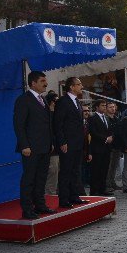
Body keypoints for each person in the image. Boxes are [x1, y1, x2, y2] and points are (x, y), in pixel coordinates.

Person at [13, 71, 55, 218]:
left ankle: (40, 205)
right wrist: (24, 145)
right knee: (29, 179)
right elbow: (19, 125)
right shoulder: (23, 100)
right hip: (30, 148)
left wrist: (51, 143)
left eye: (45, 80)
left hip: (44, 147)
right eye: (42, 81)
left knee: (41, 178)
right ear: (33, 83)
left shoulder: (42, 100)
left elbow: (47, 124)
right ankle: (27, 209)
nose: (46, 83)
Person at [54, 77, 90, 208]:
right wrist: (62, 141)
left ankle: (74, 196)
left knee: (76, 171)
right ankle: (64, 199)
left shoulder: (77, 102)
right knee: (66, 171)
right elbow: (58, 123)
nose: (81, 86)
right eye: (79, 84)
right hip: (67, 143)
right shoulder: (63, 101)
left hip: (78, 143)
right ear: (71, 87)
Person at [88, 100, 114, 195]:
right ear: (97, 107)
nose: (104, 107)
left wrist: (111, 137)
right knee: (96, 171)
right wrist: (106, 138)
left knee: (104, 170)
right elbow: (93, 132)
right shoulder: (93, 118)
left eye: (105, 105)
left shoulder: (106, 118)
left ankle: (102, 189)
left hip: (106, 148)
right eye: (102, 105)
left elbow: (110, 130)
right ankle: (94, 191)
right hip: (97, 148)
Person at [44, 92, 60, 195]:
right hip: (50, 148)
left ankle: (54, 192)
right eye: (56, 101)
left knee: (57, 171)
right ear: (51, 102)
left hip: (59, 147)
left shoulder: (57, 114)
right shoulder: (46, 114)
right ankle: (50, 194)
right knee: (52, 171)